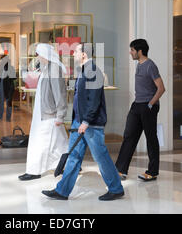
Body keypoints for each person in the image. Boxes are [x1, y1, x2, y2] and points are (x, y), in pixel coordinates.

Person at [42, 43, 124, 201]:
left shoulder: (92, 71)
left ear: (84, 54)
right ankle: (62, 191)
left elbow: (94, 100)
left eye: (76, 51)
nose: (73, 54)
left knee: (101, 156)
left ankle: (116, 188)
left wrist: (85, 122)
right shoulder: (84, 70)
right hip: (80, 122)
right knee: (74, 156)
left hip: (90, 124)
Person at [115, 39, 165, 182]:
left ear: (139, 51)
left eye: (132, 50)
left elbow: (161, 88)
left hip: (148, 106)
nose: (130, 52)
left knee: (151, 139)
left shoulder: (150, 66)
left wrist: (150, 104)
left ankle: (152, 172)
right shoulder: (139, 65)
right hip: (137, 105)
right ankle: (120, 170)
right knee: (129, 135)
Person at [18, 43, 69, 181]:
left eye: (39, 54)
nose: (37, 57)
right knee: (59, 142)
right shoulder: (47, 68)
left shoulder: (54, 69)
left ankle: (34, 171)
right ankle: (68, 163)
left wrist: (60, 115)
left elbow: (60, 94)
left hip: (50, 115)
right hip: (43, 113)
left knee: (40, 143)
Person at [0, 54, 16, 122]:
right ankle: (0, 115)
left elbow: (14, 78)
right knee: (1, 101)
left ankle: (8, 118)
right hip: (1, 85)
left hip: (9, 86)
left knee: (9, 102)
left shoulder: (11, 67)